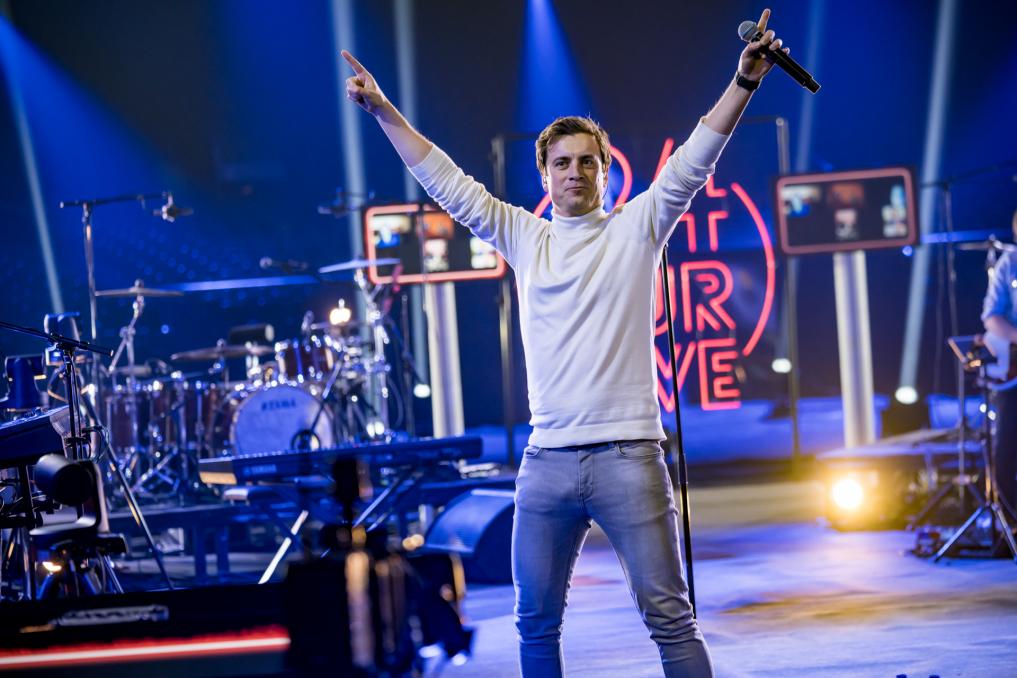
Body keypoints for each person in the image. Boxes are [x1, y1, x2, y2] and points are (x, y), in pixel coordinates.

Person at [343, 9, 789, 676]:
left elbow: (696, 157)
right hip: (546, 462)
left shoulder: (638, 227)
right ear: (544, 175)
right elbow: (445, 182)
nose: (574, 172)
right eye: (561, 163)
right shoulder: (526, 237)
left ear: (606, 172)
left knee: (670, 619)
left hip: (628, 457)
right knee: (534, 625)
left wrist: (744, 81)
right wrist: (383, 111)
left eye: (586, 162)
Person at [981, 207, 1017, 517]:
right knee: (1005, 451)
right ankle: (1012, 522)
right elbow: (991, 316)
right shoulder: (1010, 263)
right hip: (1014, 374)